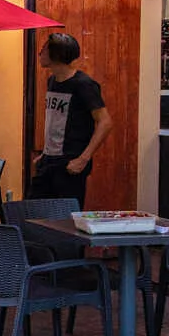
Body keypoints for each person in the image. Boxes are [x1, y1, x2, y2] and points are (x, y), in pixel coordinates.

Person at [29, 32, 111, 206]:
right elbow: (55, 120)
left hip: (69, 162)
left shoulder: (83, 84)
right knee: (33, 210)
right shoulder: (52, 81)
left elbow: (105, 122)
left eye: (44, 50)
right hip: (48, 160)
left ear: (56, 54)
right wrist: (45, 152)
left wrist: (83, 158)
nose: (40, 54)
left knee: (65, 218)